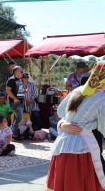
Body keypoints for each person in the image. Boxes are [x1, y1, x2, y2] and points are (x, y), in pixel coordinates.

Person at [47, 61, 105, 191]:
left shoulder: (77, 91)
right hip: (82, 149)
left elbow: (61, 113)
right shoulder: (101, 99)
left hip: (62, 146)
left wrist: (63, 124)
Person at [5, 66, 24, 141]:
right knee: (19, 118)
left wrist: (24, 91)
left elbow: (18, 90)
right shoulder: (11, 80)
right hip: (15, 102)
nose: (22, 73)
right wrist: (14, 98)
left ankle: (9, 134)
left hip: (20, 101)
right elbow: (7, 90)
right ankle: (14, 135)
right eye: (21, 71)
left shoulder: (19, 80)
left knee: (17, 118)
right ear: (16, 72)